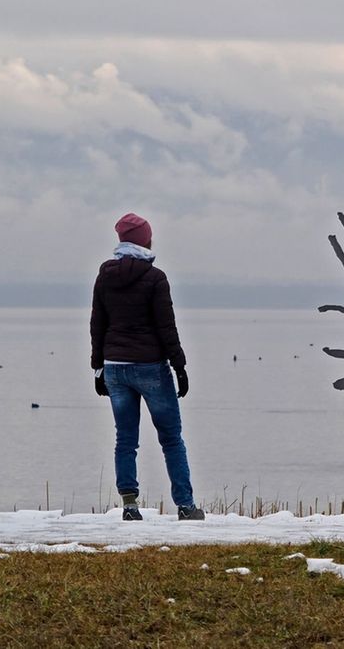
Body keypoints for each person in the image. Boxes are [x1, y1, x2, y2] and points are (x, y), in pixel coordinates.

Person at [90, 213, 204, 521]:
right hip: (151, 367)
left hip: (115, 367)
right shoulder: (155, 278)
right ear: (146, 240)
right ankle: (186, 505)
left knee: (125, 439)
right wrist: (179, 367)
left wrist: (98, 367)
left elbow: (98, 324)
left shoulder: (104, 276)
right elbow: (167, 328)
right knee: (171, 438)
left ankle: (129, 506)